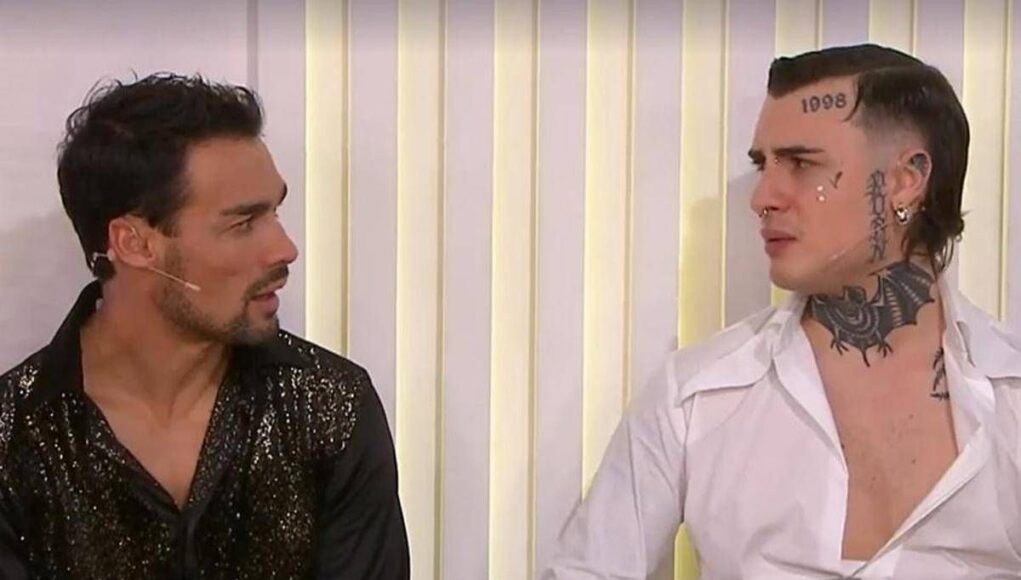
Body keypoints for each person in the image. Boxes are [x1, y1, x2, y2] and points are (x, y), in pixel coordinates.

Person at [544, 44, 1021, 579]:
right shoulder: (697, 398)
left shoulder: (1011, 394)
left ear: (905, 180)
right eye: (763, 165)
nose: (763, 197)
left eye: (801, 163)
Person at [0, 74, 409, 579]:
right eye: (243, 223)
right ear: (134, 243)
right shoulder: (14, 439)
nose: (284, 249)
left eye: (275, 212)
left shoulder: (330, 407)